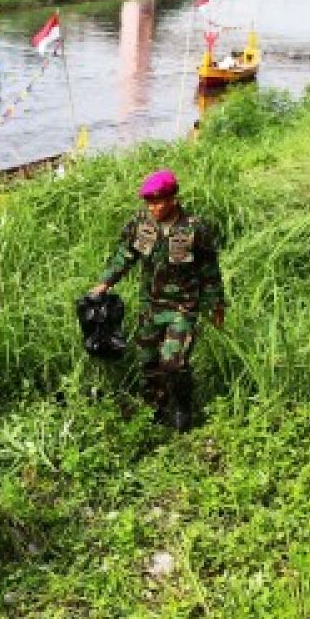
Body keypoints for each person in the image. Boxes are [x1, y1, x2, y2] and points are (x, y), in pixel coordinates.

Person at [89, 169, 225, 432]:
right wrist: (105, 282)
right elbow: (125, 255)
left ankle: (182, 407)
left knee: (172, 362)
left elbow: (210, 269)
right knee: (148, 361)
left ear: (173, 198)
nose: (153, 207)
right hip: (150, 305)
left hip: (183, 307)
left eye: (159, 201)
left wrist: (216, 304)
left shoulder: (194, 228)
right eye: (149, 202)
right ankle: (156, 408)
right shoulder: (142, 223)